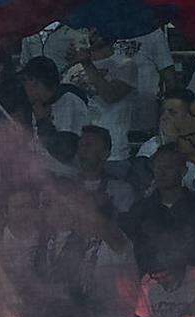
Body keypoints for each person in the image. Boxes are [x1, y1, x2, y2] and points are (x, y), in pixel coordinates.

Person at [123, 144, 195, 255]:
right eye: (158, 167)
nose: (161, 173)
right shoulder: (140, 210)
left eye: (168, 167)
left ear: (183, 171)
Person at [66, 32, 138, 164]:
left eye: (98, 29)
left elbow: (110, 95)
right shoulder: (74, 69)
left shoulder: (126, 65)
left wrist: (87, 64)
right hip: (78, 153)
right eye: (90, 29)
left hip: (113, 155)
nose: (93, 33)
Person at [21, 56, 90, 152]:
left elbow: (65, 151)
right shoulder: (36, 105)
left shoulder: (70, 102)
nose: (23, 86)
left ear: (33, 82)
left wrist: (42, 121)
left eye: (25, 81)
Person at [75, 126, 135, 216]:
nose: (82, 150)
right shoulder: (66, 185)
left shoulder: (121, 190)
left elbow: (123, 226)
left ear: (105, 154)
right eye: (80, 145)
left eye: (88, 145)